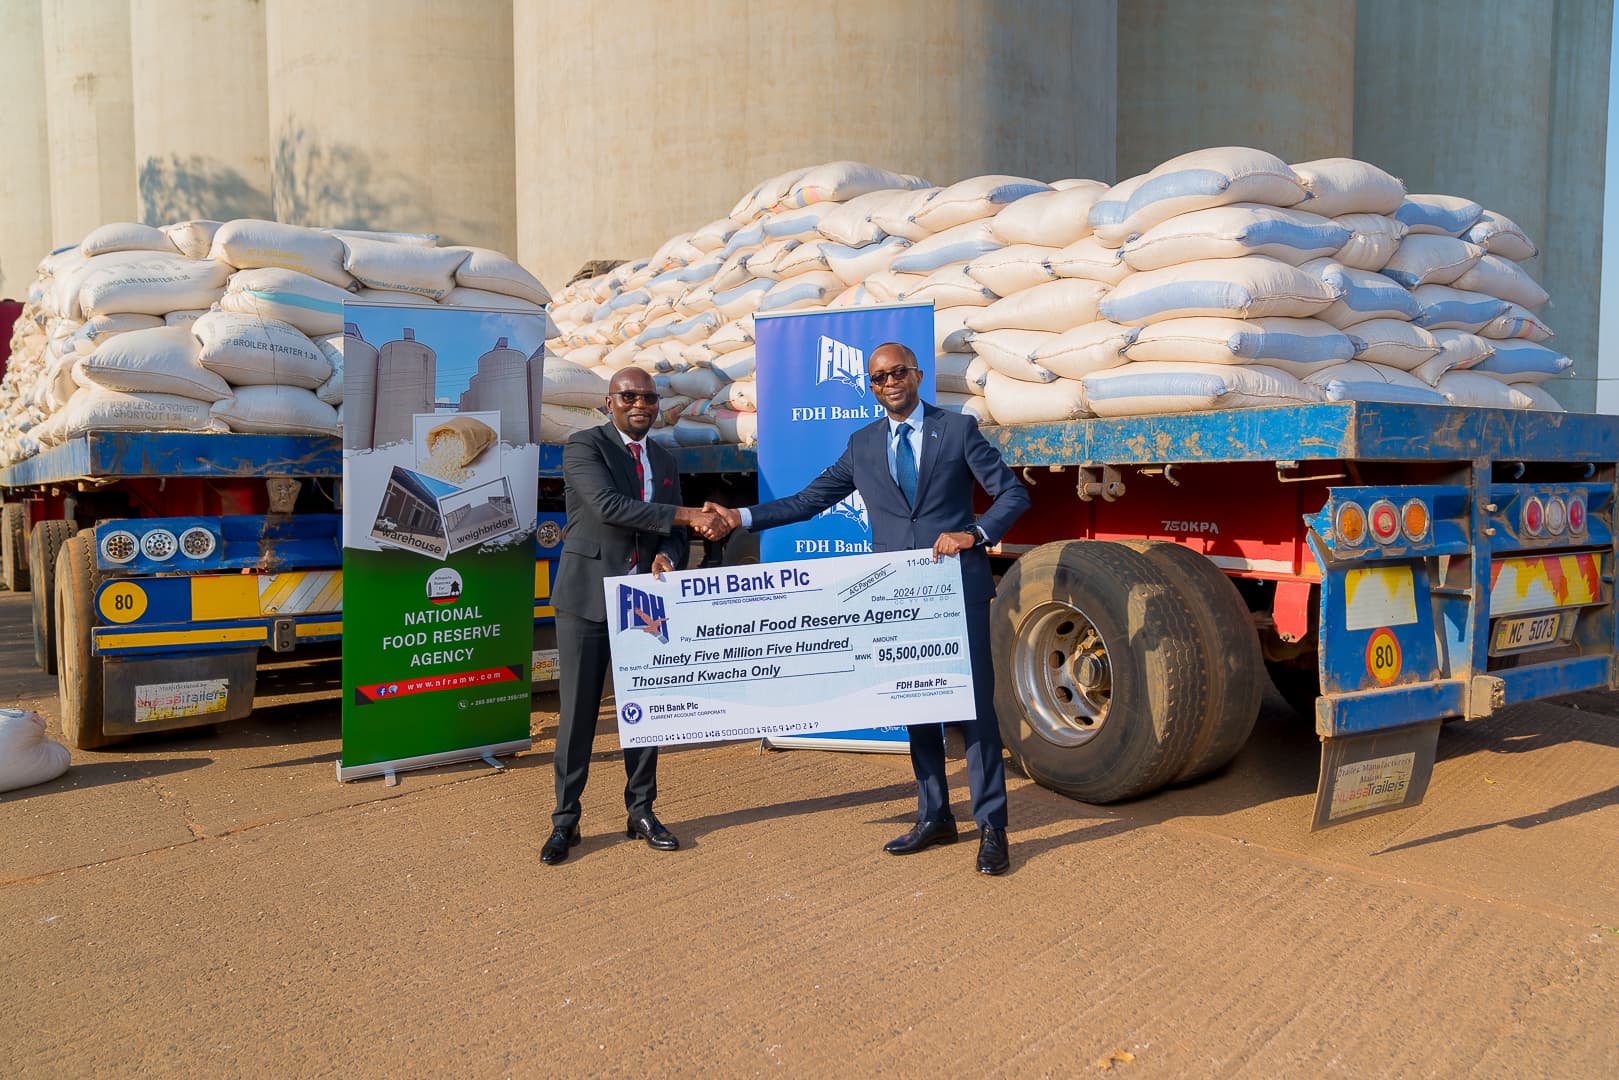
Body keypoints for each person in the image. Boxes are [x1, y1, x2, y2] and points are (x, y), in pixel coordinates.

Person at [708, 342, 1029, 875]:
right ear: (871, 387)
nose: (889, 383)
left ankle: (992, 826)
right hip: (897, 596)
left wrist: (974, 534)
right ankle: (935, 815)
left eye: (898, 373)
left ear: (917, 376)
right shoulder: (863, 444)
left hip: (956, 591)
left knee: (973, 709)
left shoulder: (957, 430)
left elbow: (1013, 495)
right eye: (879, 378)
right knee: (916, 704)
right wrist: (738, 517)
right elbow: (807, 501)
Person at [541, 367, 726, 866]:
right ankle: (565, 821)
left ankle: (640, 811)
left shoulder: (664, 458)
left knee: (646, 712)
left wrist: (669, 553)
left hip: (644, 600)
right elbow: (607, 507)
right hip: (586, 596)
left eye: (648, 397)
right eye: (629, 396)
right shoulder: (585, 446)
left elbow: (671, 532)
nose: (640, 404)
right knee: (578, 715)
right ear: (610, 402)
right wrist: (688, 515)